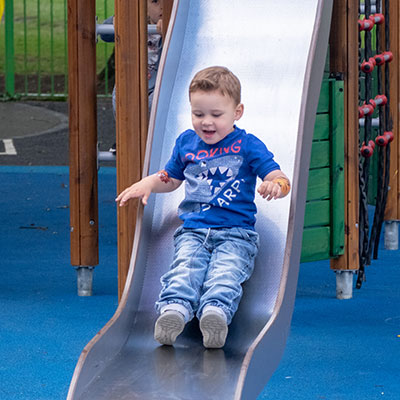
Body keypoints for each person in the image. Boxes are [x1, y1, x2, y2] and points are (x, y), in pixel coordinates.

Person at [116, 66, 291, 348]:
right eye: (198, 114)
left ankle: (215, 315)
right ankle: (174, 311)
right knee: (184, 267)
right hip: (194, 230)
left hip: (236, 233)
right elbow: (170, 178)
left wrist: (276, 185)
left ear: (237, 112)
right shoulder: (187, 141)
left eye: (216, 115)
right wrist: (149, 183)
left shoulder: (248, 145)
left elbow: (278, 177)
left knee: (226, 272)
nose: (206, 122)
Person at [100, 0, 163, 153]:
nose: (161, 6)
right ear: (144, 8)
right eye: (155, 2)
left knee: (152, 104)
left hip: (160, 84)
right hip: (134, 80)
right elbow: (104, 34)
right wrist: (118, 20)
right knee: (120, 96)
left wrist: (170, 29)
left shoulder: (173, 24)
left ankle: (153, 139)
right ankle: (124, 136)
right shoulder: (134, 21)